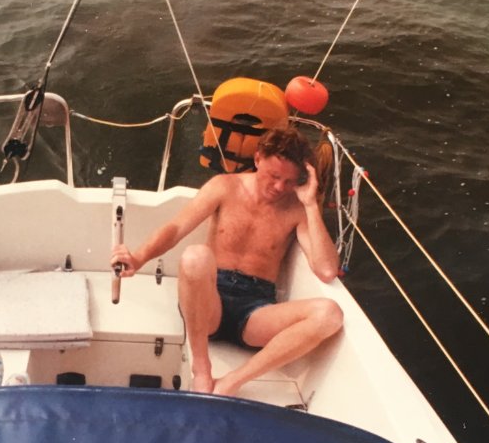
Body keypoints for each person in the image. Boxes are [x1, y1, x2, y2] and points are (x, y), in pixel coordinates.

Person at [110, 127, 344, 397]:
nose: (280, 187)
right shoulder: (224, 186)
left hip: (257, 310)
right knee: (195, 256)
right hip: (210, 302)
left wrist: (311, 205)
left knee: (330, 315)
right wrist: (138, 258)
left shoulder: (297, 208)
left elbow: (326, 269)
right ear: (258, 159)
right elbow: (176, 228)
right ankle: (201, 369)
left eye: (289, 181)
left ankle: (232, 382)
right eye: (274, 176)